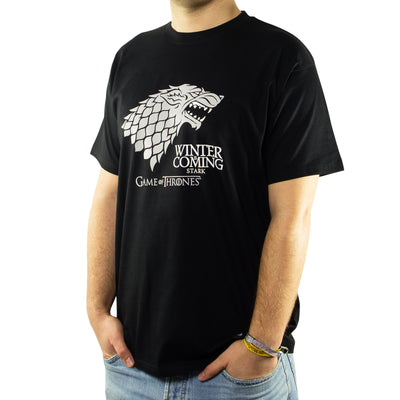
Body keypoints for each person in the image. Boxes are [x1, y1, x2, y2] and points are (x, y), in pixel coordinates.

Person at [87, 0, 344, 399]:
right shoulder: (131, 58)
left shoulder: (282, 58)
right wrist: (97, 310)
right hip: (131, 371)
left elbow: (293, 215)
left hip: (237, 378)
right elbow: (108, 193)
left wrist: (260, 346)